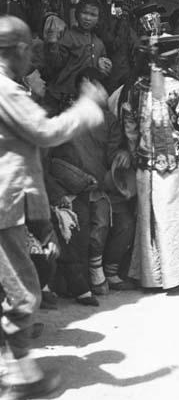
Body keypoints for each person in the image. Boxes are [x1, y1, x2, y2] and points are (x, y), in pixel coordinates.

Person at [0, 15, 105, 400]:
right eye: (29, 50)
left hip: (10, 198)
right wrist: (87, 108)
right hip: (5, 202)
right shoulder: (6, 89)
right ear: (18, 51)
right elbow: (44, 132)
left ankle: (11, 366)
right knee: (23, 290)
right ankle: (22, 377)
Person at [123, 35, 179, 289]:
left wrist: (137, 151)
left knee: (149, 219)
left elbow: (130, 127)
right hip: (175, 166)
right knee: (174, 217)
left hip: (145, 165)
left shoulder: (137, 87)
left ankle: (150, 276)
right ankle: (176, 274)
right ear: (176, 60)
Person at [45, 68, 132, 305]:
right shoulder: (66, 116)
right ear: (85, 85)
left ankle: (95, 273)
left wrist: (123, 154)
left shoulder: (109, 121)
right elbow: (50, 154)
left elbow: (112, 154)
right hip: (70, 187)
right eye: (97, 86)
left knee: (106, 224)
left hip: (96, 185)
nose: (102, 92)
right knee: (77, 231)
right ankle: (70, 284)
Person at [46, 0, 112, 110]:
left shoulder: (99, 44)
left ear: (98, 19)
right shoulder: (68, 36)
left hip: (84, 98)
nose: (88, 18)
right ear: (77, 14)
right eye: (84, 13)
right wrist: (52, 44)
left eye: (93, 15)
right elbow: (56, 64)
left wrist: (103, 68)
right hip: (63, 95)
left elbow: (98, 73)